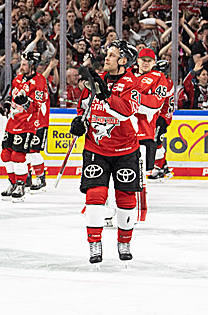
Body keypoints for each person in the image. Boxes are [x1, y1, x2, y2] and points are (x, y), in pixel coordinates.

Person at [69, 40, 143, 263]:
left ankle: (124, 242)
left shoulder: (133, 83)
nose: (107, 58)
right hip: (96, 149)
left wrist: (106, 96)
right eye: (107, 54)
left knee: (126, 199)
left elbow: (125, 112)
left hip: (126, 151)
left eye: (112, 55)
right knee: (95, 197)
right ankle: (94, 245)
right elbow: (84, 107)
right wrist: (79, 122)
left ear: (123, 60)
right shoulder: (96, 80)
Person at [0, 51, 43, 201]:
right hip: (12, 121)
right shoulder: (17, 79)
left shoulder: (39, 82)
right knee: (5, 154)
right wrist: (6, 104)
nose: (21, 66)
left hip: (27, 124)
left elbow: (38, 106)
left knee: (18, 155)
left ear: (32, 66)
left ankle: (20, 185)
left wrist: (26, 102)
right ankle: (12, 183)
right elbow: (12, 96)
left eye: (24, 64)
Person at [133, 48, 171, 182]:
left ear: (154, 63)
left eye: (149, 61)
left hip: (145, 128)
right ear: (138, 60)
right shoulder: (128, 74)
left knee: (142, 175)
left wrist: (132, 99)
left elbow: (156, 103)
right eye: (143, 60)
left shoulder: (158, 77)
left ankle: (160, 168)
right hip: (124, 129)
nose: (146, 63)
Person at [26, 55, 51, 192]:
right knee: (24, 150)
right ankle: (27, 177)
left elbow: (37, 102)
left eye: (25, 64)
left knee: (34, 150)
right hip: (26, 122)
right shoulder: (23, 80)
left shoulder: (39, 80)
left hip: (39, 122)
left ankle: (40, 177)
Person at [149, 59, 176, 180]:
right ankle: (164, 166)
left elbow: (157, 100)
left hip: (161, 117)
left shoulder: (165, 83)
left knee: (156, 142)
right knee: (156, 141)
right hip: (163, 116)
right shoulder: (167, 81)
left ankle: (159, 168)